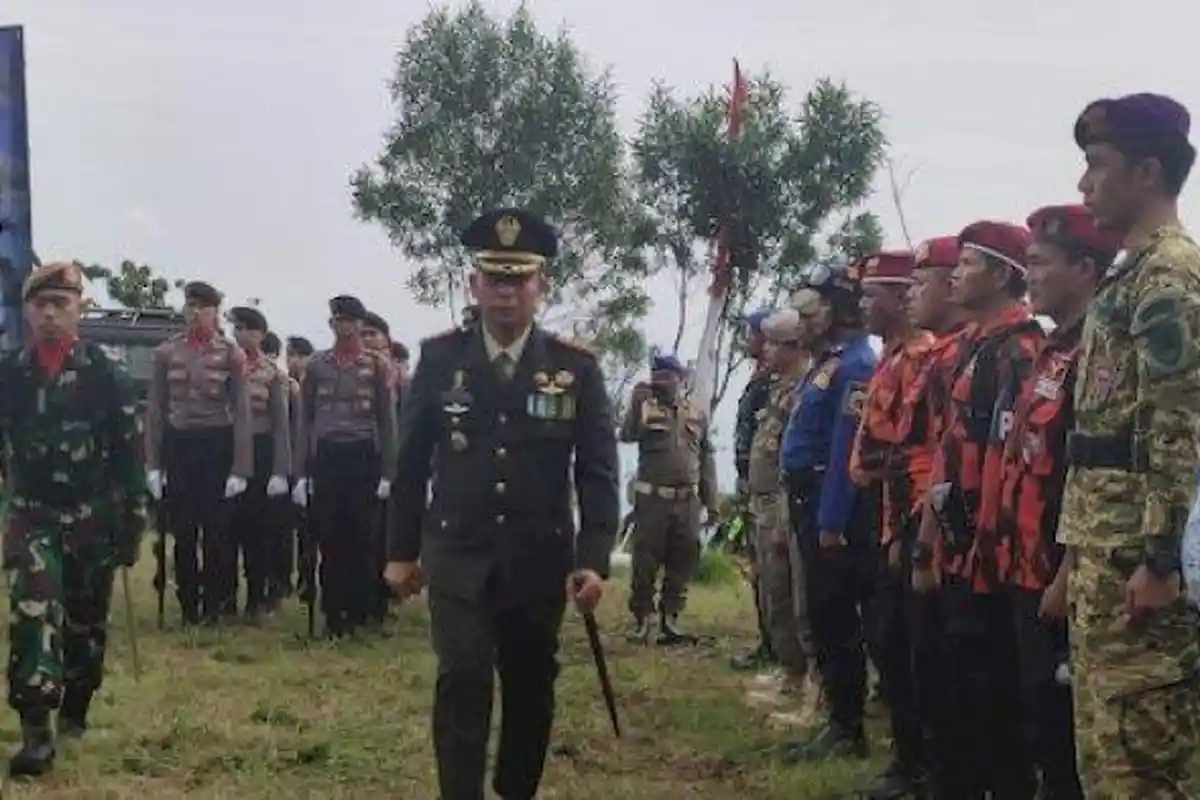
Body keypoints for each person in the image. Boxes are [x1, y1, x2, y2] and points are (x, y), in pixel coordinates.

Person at [383, 207, 620, 800]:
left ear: (542, 286)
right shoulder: (441, 360)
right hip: (457, 551)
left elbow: (597, 472)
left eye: (519, 279)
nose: (506, 292)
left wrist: (593, 559)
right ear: (474, 284)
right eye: (495, 278)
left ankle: (516, 790)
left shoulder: (575, 368)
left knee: (530, 684)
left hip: (537, 558)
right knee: (462, 675)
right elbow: (410, 463)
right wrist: (400, 551)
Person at [1064, 92, 1200, 798]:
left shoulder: (1168, 276)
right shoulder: (1132, 271)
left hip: (1136, 561)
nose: (1084, 182)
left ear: (1147, 172)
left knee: (1145, 761)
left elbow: (1177, 425)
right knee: (1107, 748)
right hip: (1104, 551)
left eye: (1098, 164)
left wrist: (1160, 557)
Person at [912, 221, 1045, 798]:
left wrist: (981, 558)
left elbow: (1010, 465)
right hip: (957, 547)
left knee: (997, 705)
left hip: (993, 561)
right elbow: (947, 450)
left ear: (1000, 275)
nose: (957, 275)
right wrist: (928, 542)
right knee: (954, 691)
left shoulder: (1022, 351)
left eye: (969, 264)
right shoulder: (969, 348)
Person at [0, 262, 146, 776]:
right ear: (27, 311)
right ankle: (36, 728)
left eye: (60, 303)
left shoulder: (106, 373)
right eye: (40, 304)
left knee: (85, 623)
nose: (50, 313)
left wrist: (132, 522)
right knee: (33, 608)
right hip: (31, 512)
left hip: (92, 514)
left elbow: (129, 454)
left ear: (78, 309)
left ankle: (76, 705)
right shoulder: (9, 373)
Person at [997, 204, 1120, 799]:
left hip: (1065, 574)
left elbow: (1093, 476)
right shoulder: (1052, 350)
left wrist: (1067, 574)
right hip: (1025, 564)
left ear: (1085, 268)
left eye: (1041, 263)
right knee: (1038, 718)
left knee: (1069, 730)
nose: (1031, 276)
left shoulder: (1101, 353)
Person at [779, 260, 878, 762]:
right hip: (806, 499)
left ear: (837, 310)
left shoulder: (856, 365)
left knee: (836, 616)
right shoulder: (828, 362)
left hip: (827, 501)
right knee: (819, 613)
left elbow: (845, 450)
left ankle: (847, 726)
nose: (802, 321)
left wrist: (832, 518)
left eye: (811, 310)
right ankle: (835, 716)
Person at [849, 250, 939, 798]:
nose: (864, 306)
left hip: (910, 515)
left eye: (872, 295)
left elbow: (917, 453)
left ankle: (919, 766)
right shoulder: (891, 357)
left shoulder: (923, 359)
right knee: (887, 640)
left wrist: (905, 532)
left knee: (908, 646)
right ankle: (907, 761)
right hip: (885, 509)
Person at [145, 281, 252, 626]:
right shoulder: (167, 352)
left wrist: (240, 467)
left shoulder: (231, 354)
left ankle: (214, 603)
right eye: (190, 306)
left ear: (214, 312)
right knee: (184, 531)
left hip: (216, 444)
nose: (195, 313)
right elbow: (156, 410)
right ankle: (188, 602)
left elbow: (242, 413)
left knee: (216, 532)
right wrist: (153, 464)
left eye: (202, 307)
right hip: (180, 445)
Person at [291, 295, 397, 637]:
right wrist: (301, 471)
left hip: (364, 455)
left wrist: (388, 471)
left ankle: (361, 612)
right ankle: (334, 613)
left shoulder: (376, 365)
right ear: (331, 324)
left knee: (363, 539)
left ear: (359, 324)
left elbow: (387, 420)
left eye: (350, 321)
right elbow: (305, 420)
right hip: (327, 456)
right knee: (330, 538)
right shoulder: (317, 366)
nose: (344, 326)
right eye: (338, 320)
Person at [743, 308, 819, 720]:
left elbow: (794, 459)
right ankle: (790, 672)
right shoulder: (776, 389)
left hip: (784, 504)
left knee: (795, 594)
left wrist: (783, 517)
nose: (766, 349)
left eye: (775, 343)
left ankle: (812, 684)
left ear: (794, 347)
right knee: (774, 592)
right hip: (764, 502)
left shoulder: (803, 390)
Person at [620, 352, 718, 644]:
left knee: (683, 558)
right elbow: (627, 435)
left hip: (687, 501)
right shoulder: (645, 407)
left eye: (669, 376)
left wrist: (711, 503)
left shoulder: (696, 414)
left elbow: (706, 460)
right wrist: (635, 404)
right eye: (658, 375)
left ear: (681, 379)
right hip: (653, 500)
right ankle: (642, 618)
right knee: (645, 562)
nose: (663, 381)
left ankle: (671, 618)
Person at [226, 307, 291, 622]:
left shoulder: (272, 373)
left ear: (261, 335)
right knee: (225, 529)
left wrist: (280, 469)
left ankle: (257, 597)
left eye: (248, 329)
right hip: (226, 450)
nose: (241, 334)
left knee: (257, 530)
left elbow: (281, 425)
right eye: (237, 328)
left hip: (260, 450)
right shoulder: (224, 364)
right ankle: (224, 598)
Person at [731, 309, 779, 671]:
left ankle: (778, 648)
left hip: (768, 489)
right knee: (759, 570)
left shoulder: (774, 383)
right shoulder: (758, 379)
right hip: (751, 486)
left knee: (773, 573)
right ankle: (768, 642)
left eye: (751, 333)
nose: (747, 339)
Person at [284, 334, 314, 600]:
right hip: (290, 463)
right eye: (288, 355)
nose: (290, 361)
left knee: (310, 528)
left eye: (294, 355)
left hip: (313, 461)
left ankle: (309, 580)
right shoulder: (287, 386)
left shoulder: (309, 388)